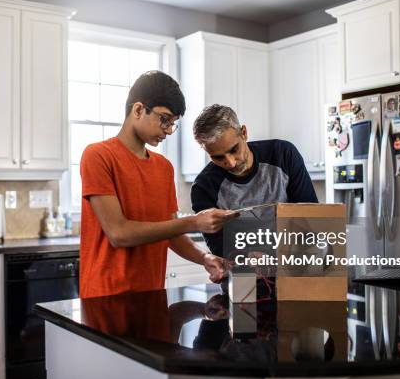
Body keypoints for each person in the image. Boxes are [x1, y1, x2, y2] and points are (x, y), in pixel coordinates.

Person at [79, 71, 235, 299]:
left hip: (152, 294)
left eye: (173, 124)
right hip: (105, 298)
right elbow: (118, 233)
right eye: (164, 119)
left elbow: (170, 232)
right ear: (138, 109)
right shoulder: (98, 155)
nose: (169, 130)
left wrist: (204, 257)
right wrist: (193, 222)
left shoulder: (164, 167)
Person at [190, 104, 318, 257]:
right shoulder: (204, 187)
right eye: (218, 157)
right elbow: (220, 249)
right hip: (245, 274)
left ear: (243, 133)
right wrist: (246, 257)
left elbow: (311, 217)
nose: (230, 163)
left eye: (234, 149)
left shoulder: (283, 154)